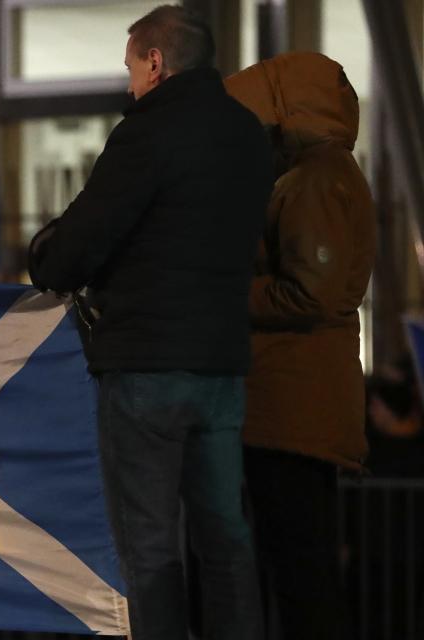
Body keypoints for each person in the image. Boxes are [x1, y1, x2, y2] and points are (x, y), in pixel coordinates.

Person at [28, 5, 272, 639]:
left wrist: (45, 257)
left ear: (156, 62)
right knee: (226, 538)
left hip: (145, 366)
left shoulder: (147, 132)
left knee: (151, 547)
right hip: (221, 365)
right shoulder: (248, 135)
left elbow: (82, 241)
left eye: (132, 65)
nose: (130, 81)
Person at [224, 53, 375, 640]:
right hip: (294, 407)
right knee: (300, 575)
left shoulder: (315, 179)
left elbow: (309, 293)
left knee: (302, 577)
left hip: (292, 410)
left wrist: (225, 292)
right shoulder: (320, 174)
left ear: (286, 110)